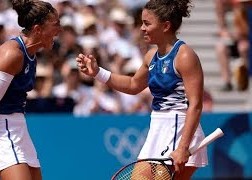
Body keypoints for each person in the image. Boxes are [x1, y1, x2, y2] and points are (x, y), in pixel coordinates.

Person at [76, 0, 207, 179]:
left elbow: (196, 105)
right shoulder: (151, 56)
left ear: (166, 26)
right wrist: (98, 73)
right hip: (157, 127)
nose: (142, 28)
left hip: (179, 129)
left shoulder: (185, 56)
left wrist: (183, 147)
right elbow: (133, 85)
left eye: (147, 23)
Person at [0, 1, 61, 180]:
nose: (59, 30)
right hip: (2, 128)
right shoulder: (12, 54)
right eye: (55, 25)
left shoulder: (30, 53)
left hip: (18, 126)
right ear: (37, 29)